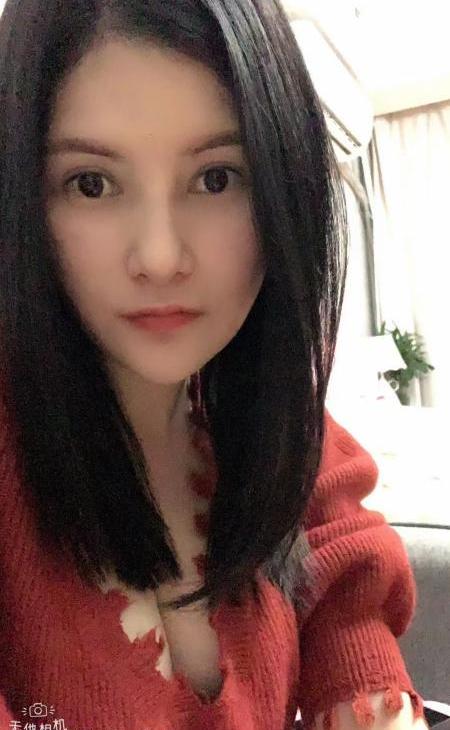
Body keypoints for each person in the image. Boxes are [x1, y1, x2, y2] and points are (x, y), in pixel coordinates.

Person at [0, 1, 428, 729]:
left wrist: (362, 687)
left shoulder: (267, 418)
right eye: (92, 183)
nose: (161, 256)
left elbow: (341, 560)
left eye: (217, 178)